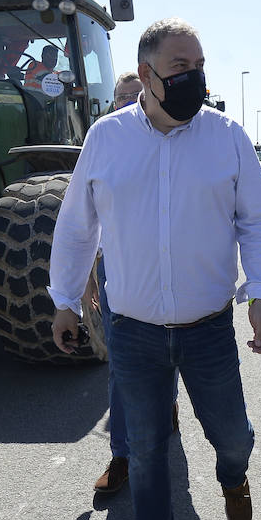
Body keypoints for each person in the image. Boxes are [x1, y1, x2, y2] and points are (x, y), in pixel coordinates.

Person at [48, 19, 261, 520]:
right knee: (148, 454)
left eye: (200, 63)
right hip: (134, 331)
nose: (195, 76)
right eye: (181, 65)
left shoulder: (226, 138)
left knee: (232, 434)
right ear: (147, 74)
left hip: (207, 327)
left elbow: (259, 221)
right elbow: (79, 225)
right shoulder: (107, 138)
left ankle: (234, 478)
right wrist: (65, 298)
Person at [89, 71, 160, 495]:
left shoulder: (174, 145)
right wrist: (86, 281)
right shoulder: (102, 144)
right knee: (122, 367)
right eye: (121, 97)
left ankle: (166, 405)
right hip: (115, 275)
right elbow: (85, 222)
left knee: (168, 353)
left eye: (136, 95)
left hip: (164, 276)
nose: (128, 103)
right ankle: (121, 455)